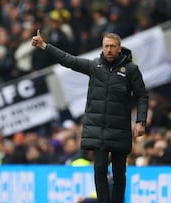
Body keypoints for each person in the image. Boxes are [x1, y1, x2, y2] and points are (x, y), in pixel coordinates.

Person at [32, 30, 148, 203]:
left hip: (120, 129)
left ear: (119, 48)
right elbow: (68, 60)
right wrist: (44, 46)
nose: (109, 49)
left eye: (112, 46)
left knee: (119, 173)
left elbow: (142, 96)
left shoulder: (131, 70)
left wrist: (140, 121)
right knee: (99, 169)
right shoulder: (94, 66)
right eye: (106, 46)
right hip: (98, 129)